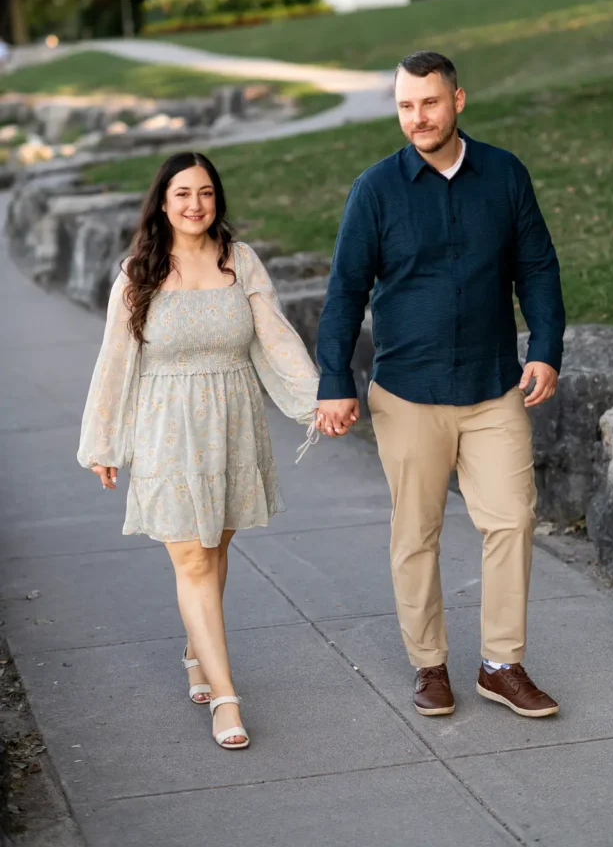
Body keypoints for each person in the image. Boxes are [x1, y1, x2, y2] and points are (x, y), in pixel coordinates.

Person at [315, 51, 565, 720]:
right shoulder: (375, 190)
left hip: (491, 387)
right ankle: (430, 665)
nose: (416, 118)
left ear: (457, 100)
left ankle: (499, 664)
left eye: (428, 103)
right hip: (405, 394)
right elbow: (344, 292)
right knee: (415, 534)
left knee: (510, 519)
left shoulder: (503, 175)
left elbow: (536, 266)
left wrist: (544, 349)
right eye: (404, 106)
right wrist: (333, 380)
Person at [78, 151, 320, 750]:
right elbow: (114, 360)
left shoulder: (239, 262)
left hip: (233, 424)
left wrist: (320, 400)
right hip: (165, 429)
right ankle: (227, 697)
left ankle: (195, 648)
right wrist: (103, 441)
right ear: (162, 202)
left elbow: (276, 335)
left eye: (206, 193)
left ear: (217, 200)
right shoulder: (138, 274)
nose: (195, 205)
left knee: (212, 549)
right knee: (191, 559)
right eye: (182, 193)